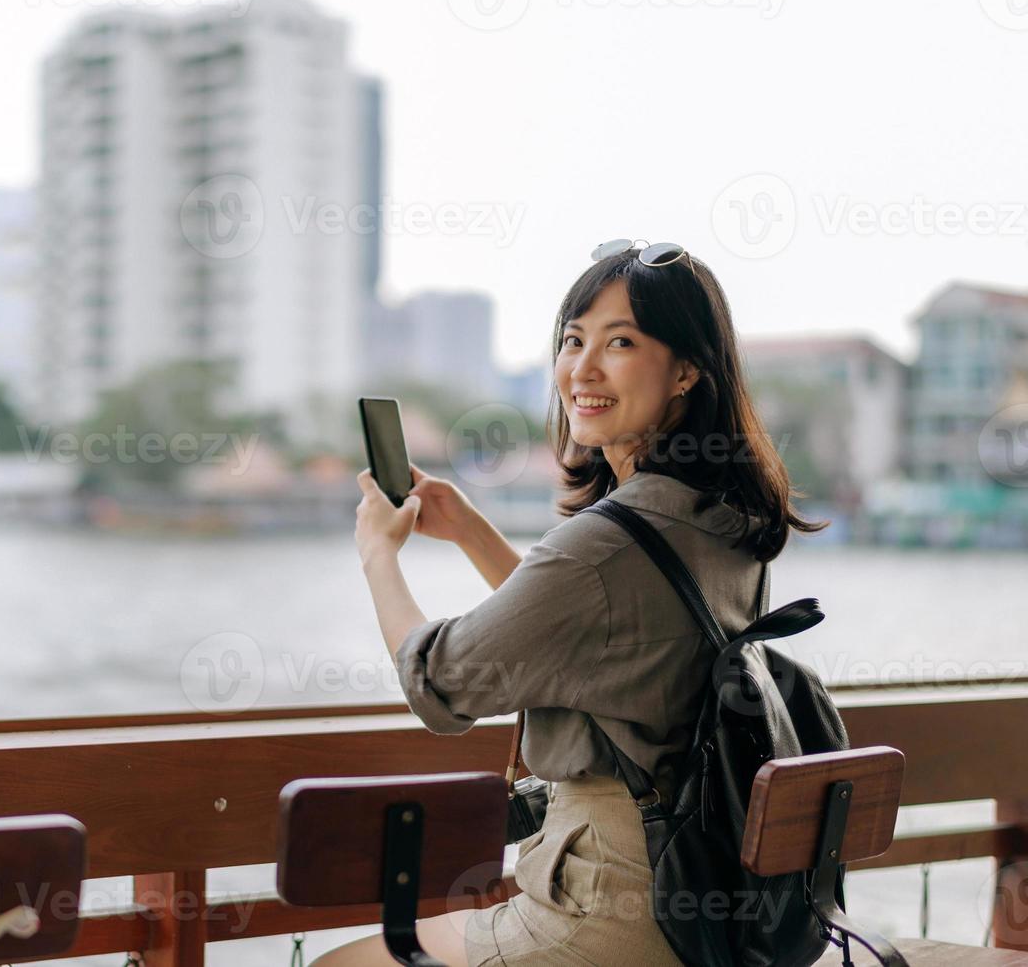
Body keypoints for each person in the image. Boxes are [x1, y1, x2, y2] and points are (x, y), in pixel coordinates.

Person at [330, 241, 827, 966]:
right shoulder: (723, 526)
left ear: (687, 368)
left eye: (619, 342)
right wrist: (469, 529)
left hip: (604, 921)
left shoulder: (607, 547)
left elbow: (438, 684)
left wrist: (379, 554)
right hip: (705, 915)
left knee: (337, 965)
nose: (581, 369)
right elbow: (600, 645)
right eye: (572, 340)